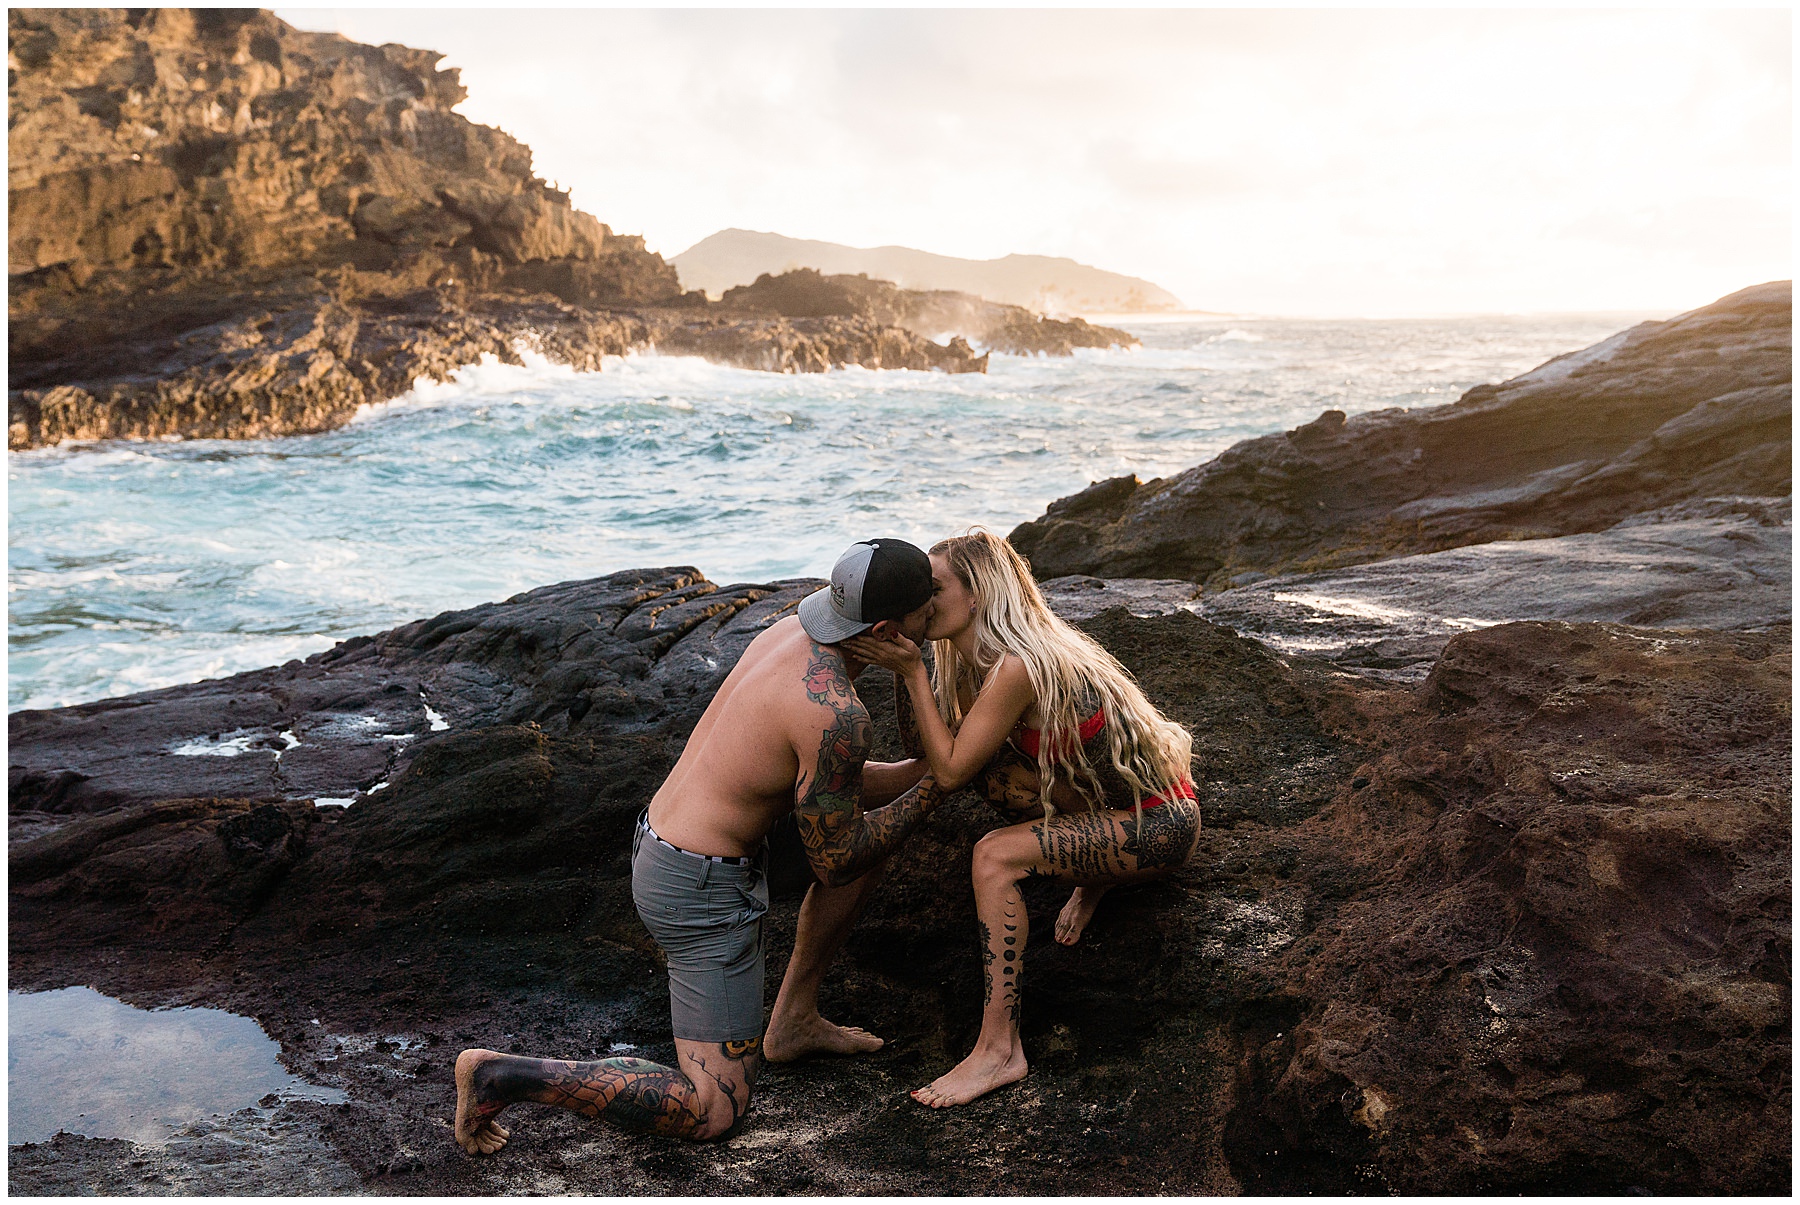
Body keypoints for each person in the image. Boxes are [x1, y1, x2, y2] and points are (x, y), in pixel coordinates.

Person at [453, 538, 944, 1151]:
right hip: (698, 891)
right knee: (713, 1111)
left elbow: (832, 787)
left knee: (872, 831)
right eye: (931, 608)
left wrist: (919, 766)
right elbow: (837, 858)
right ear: (885, 628)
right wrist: (942, 786)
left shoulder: (792, 633)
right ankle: (501, 1075)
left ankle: (790, 1022)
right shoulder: (834, 713)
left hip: (681, 844)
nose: (941, 611)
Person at [843, 529, 1200, 1109]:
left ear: (980, 591)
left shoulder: (1018, 664)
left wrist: (910, 672)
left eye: (932, 589)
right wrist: (908, 654)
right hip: (1099, 810)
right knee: (980, 772)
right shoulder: (969, 657)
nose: (922, 601)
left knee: (993, 856)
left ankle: (999, 1049)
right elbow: (928, 752)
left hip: (1157, 824)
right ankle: (1095, 878)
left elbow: (950, 772)